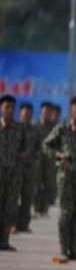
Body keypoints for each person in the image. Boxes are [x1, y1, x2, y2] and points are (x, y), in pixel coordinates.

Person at [42, 96, 76, 263]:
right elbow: (47, 145)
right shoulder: (62, 129)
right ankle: (63, 248)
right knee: (66, 212)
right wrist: (59, 155)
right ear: (71, 111)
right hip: (65, 175)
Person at [0, 95, 26, 251]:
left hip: (13, 174)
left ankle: (4, 241)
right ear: (1, 108)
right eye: (7, 107)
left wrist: (22, 154)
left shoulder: (20, 128)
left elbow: (24, 149)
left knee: (9, 208)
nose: (10, 110)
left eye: (12, 107)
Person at [13, 102, 39, 234]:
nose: (28, 115)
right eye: (25, 112)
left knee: (27, 197)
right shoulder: (15, 128)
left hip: (30, 168)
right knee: (13, 197)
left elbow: (40, 146)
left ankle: (23, 224)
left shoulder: (34, 130)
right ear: (20, 113)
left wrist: (37, 152)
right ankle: (12, 224)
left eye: (30, 112)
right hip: (15, 168)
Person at [33, 102, 57, 218]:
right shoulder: (34, 126)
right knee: (37, 183)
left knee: (49, 184)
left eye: (49, 111)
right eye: (45, 110)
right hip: (37, 159)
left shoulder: (55, 128)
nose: (47, 113)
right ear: (41, 111)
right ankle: (37, 208)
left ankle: (44, 208)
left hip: (50, 160)